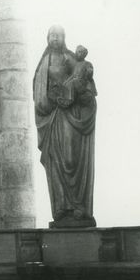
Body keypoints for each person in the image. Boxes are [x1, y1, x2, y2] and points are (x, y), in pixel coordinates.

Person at [33, 26, 97, 227]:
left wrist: (73, 95)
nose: (55, 39)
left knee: (70, 158)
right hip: (51, 118)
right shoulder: (43, 62)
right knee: (54, 161)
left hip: (69, 116)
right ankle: (61, 208)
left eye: (58, 36)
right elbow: (38, 93)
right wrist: (48, 100)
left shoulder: (70, 59)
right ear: (47, 38)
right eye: (52, 35)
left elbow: (86, 86)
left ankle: (78, 206)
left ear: (64, 38)